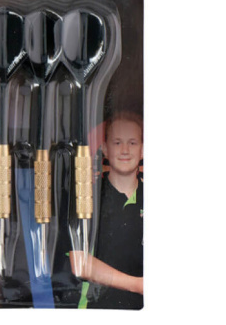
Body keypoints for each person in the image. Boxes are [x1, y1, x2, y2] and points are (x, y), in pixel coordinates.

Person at [70, 111, 144, 309]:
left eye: (132, 143)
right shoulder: (86, 197)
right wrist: (138, 285)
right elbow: (79, 262)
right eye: (117, 142)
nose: (125, 150)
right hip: (97, 310)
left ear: (143, 150)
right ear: (104, 149)